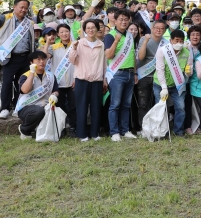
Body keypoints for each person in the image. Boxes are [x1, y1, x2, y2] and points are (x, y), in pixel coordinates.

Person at [0, 0, 36, 119]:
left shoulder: (29, 22)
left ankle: (17, 107)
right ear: (14, 7)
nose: (24, 10)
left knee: (22, 83)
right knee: (7, 83)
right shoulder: (5, 18)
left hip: (25, 57)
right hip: (10, 57)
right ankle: (4, 108)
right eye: (21, 7)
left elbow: (31, 41)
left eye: (26, 8)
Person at [68, 19, 105, 141]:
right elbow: (73, 61)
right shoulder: (79, 43)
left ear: (97, 29)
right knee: (82, 108)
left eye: (93, 27)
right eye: (88, 28)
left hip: (97, 81)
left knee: (96, 108)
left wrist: (104, 79)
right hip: (82, 80)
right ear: (84, 30)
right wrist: (73, 48)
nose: (90, 30)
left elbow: (103, 63)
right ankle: (82, 134)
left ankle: (95, 133)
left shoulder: (101, 44)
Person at [103, 9, 137, 142]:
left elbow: (133, 55)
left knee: (126, 104)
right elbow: (108, 56)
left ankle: (125, 129)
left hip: (129, 73)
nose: (124, 22)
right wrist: (116, 41)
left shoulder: (130, 36)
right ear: (115, 21)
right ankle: (114, 132)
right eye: (121, 19)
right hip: (117, 74)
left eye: (126, 19)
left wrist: (134, 72)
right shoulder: (110, 35)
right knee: (115, 104)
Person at [154, 29, 193, 136]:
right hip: (160, 84)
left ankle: (178, 131)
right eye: (176, 40)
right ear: (171, 40)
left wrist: (188, 72)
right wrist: (164, 87)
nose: (179, 43)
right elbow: (160, 69)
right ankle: (162, 132)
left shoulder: (187, 53)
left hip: (178, 85)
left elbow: (189, 70)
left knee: (180, 107)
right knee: (161, 107)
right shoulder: (162, 50)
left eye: (181, 41)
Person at [16, 50, 60, 139]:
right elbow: (25, 90)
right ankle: (24, 129)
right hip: (27, 107)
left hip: (46, 106)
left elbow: (56, 90)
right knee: (38, 111)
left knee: (59, 115)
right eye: (38, 59)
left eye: (43, 59)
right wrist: (32, 72)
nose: (42, 62)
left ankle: (38, 128)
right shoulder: (25, 75)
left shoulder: (50, 76)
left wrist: (54, 95)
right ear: (31, 62)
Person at [135, 19, 167, 126]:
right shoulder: (144, 39)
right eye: (156, 28)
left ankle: (156, 126)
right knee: (143, 103)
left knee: (158, 103)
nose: (159, 30)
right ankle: (143, 127)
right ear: (152, 29)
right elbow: (140, 57)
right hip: (145, 75)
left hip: (159, 77)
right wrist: (145, 42)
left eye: (162, 28)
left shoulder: (166, 43)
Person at [45, 24, 76, 133]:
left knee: (73, 106)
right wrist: (47, 43)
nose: (64, 34)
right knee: (60, 105)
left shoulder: (75, 45)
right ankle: (61, 127)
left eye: (66, 31)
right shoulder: (53, 47)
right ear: (58, 34)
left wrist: (76, 78)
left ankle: (73, 127)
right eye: (61, 32)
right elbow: (44, 57)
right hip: (58, 82)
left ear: (69, 32)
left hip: (73, 81)